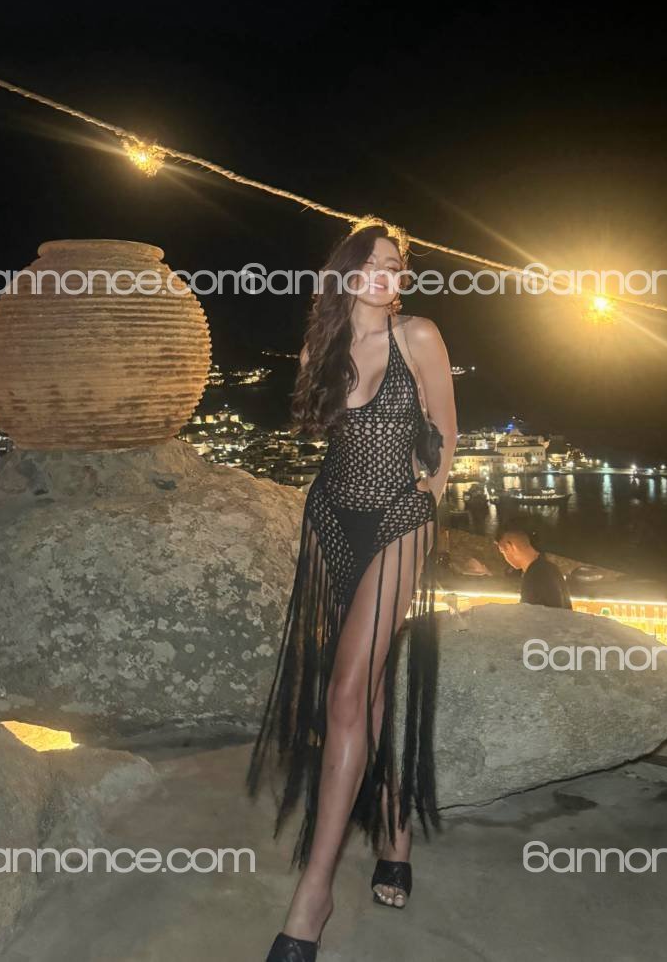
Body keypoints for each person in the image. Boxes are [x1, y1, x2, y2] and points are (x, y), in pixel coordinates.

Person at [247, 218, 457, 961]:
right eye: (369, 261)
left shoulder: (418, 337)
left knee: (344, 692)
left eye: (393, 264)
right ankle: (394, 826)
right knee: (363, 694)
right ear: (344, 273)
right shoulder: (322, 349)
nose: (383, 272)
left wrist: (427, 505)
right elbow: (324, 438)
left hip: (399, 518)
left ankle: (314, 892)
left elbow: (445, 436)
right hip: (331, 519)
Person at [496, 515, 572, 608]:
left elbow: (533, 615)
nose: (504, 557)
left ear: (510, 547)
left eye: (502, 551)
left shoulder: (535, 576)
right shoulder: (549, 568)